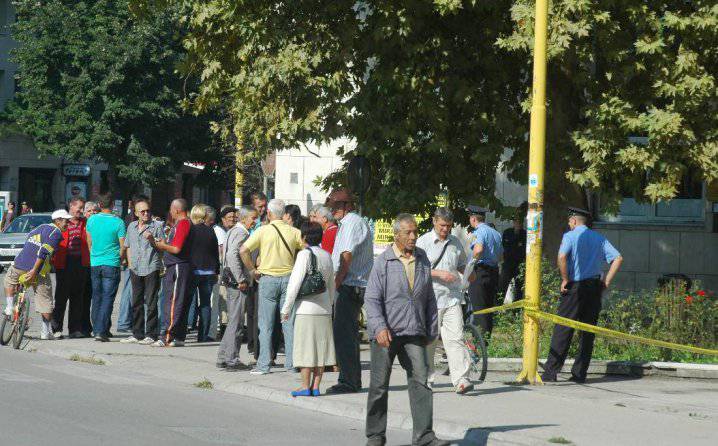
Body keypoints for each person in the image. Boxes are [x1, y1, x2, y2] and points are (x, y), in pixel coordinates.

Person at [364, 214, 447, 446]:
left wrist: (432, 328)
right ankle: (375, 435)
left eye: (415, 232)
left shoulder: (422, 258)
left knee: (421, 381)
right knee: (379, 386)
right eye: (408, 233)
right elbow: (371, 299)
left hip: (414, 331)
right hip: (386, 333)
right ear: (396, 235)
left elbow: (429, 296)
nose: (413, 237)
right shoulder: (384, 261)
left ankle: (424, 436)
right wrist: (379, 327)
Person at [542, 207, 623, 383]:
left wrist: (564, 279)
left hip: (575, 287)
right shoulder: (599, 238)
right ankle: (579, 373)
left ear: (574, 221)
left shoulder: (570, 236)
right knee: (588, 331)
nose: (569, 225)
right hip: (594, 287)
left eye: (569, 222)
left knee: (563, 327)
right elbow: (618, 258)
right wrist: (606, 282)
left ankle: (551, 372)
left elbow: (561, 257)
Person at [240, 199, 304, 375]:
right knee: (288, 323)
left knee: (265, 324)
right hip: (289, 279)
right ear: (284, 214)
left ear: (268, 213)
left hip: (267, 279)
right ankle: (291, 364)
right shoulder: (294, 232)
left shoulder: (262, 231)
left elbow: (243, 250)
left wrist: (253, 270)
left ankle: (264, 364)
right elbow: (306, 250)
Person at [416, 207, 474, 394]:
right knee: (430, 341)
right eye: (442, 225)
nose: (445, 230)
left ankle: (461, 380)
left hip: (452, 298)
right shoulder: (423, 242)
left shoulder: (455, 242)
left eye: (448, 226)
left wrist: (468, 272)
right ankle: (426, 379)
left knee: (456, 338)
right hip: (430, 298)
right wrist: (438, 273)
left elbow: (461, 264)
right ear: (434, 221)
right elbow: (415, 269)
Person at [325, 188, 374, 394]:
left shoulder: (352, 222)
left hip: (352, 285)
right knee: (347, 334)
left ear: (346, 206)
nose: (332, 211)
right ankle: (351, 378)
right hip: (353, 284)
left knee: (344, 335)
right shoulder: (348, 223)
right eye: (332, 207)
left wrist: (337, 282)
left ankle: (349, 381)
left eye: (336, 206)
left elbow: (346, 256)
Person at [280, 221, 336, 397]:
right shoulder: (327, 255)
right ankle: (316, 386)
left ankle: (304, 385)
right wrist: (330, 304)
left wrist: (286, 308)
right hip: (324, 309)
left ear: (303, 237)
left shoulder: (304, 255)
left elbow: (294, 283)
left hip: (306, 309)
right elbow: (331, 284)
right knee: (320, 350)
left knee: (305, 349)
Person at [3, 209, 71, 340]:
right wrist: (34, 270)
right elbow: (43, 252)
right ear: (57, 221)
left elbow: (29, 239)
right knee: (45, 300)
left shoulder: (39, 227)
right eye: (66, 221)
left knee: (9, 280)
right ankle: (45, 333)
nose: (68, 224)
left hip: (19, 264)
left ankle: (10, 307)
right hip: (38, 271)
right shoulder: (56, 233)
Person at [147, 198, 194, 347]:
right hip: (176, 265)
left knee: (173, 301)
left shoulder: (184, 223)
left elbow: (176, 249)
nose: (170, 212)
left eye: (171, 209)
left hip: (178, 266)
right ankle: (177, 336)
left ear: (177, 210)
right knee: (177, 300)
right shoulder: (179, 224)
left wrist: (162, 245)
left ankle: (166, 336)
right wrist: (159, 243)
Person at [216, 205, 257, 370]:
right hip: (237, 282)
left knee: (234, 320)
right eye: (253, 218)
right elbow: (233, 254)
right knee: (237, 322)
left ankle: (223, 357)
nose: (255, 221)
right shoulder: (241, 232)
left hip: (232, 279)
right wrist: (241, 278)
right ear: (244, 218)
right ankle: (232, 359)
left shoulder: (233, 230)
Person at [120, 198, 164, 345]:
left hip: (151, 267)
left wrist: (152, 239)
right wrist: (129, 263)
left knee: (151, 302)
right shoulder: (132, 226)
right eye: (143, 211)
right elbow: (127, 246)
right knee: (136, 301)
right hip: (135, 268)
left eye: (148, 211)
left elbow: (162, 248)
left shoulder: (157, 226)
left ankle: (151, 334)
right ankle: (137, 333)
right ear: (136, 213)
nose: (146, 213)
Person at [86, 193, 126, 342]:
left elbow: (89, 241)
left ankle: (98, 328)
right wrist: (120, 259)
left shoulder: (91, 220)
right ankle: (101, 331)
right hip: (111, 263)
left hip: (95, 262)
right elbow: (122, 246)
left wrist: (93, 255)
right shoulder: (118, 222)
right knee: (108, 298)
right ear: (113, 205)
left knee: (97, 296)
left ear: (99, 205)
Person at [51, 197, 90, 339]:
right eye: (79, 208)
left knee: (77, 298)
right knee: (61, 298)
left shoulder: (86, 223)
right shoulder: (62, 222)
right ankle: (56, 329)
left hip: (81, 263)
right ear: (71, 207)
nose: (81, 211)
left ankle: (75, 329)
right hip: (64, 263)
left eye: (82, 208)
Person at [466, 205, 503, 337]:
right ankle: (486, 342)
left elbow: (478, 250)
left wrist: (471, 265)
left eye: (470, 217)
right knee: (488, 309)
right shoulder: (496, 233)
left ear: (473, 218)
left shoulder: (479, 231)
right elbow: (501, 257)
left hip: (480, 272)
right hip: (493, 272)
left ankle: (478, 344)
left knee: (478, 309)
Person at [187, 204, 220, 343]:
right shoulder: (211, 231)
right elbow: (215, 252)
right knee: (206, 303)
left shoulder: (191, 230)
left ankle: (183, 332)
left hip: (193, 270)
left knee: (188, 302)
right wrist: (216, 270)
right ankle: (203, 335)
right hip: (208, 271)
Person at [79, 201, 101, 336]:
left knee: (98, 297)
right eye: (90, 211)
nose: (92, 213)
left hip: (97, 264)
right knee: (84, 298)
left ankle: (99, 327)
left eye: (95, 211)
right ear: (84, 213)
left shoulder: (100, 225)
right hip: (83, 265)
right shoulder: (81, 225)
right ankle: (84, 327)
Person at [500, 214, 527, 300]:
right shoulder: (507, 232)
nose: (517, 223)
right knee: (502, 286)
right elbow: (504, 247)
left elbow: (524, 249)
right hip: (508, 264)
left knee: (519, 289)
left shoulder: (524, 234)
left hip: (519, 265)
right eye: (516, 221)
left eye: (519, 222)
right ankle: (498, 307)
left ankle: (517, 311)